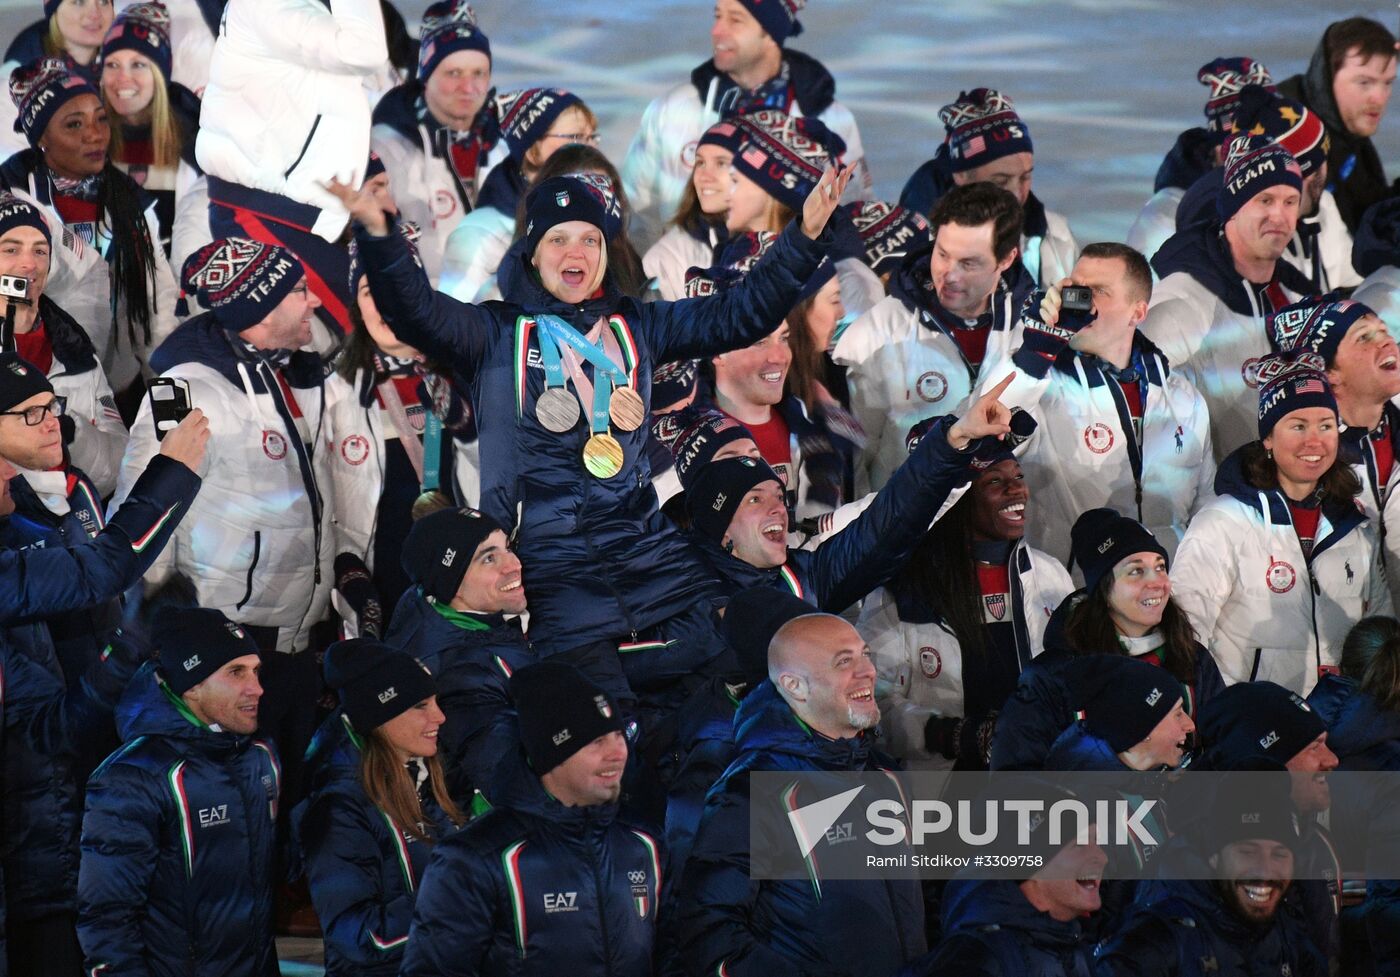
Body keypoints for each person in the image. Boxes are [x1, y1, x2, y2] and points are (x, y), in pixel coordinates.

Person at [331, 162, 850, 706]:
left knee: (739, 679)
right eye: (557, 240)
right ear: (532, 253)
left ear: (605, 252)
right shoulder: (494, 334)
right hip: (552, 572)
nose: (574, 252)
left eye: (588, 239)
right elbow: (412, 311)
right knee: (602, 729)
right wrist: (378, 232)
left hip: (651, 556)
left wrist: (805, 236)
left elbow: (740, 314)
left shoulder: (639, 328)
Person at [111, 237, 332, 802]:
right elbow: (145, 500)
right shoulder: (184, 388)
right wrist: (155, 618)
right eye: (299, 291)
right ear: (259, 307)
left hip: (291, 634)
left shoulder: (269, 372)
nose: (314, 303)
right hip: (229, 642)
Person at [671, 612, 926, 977]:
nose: (867, 670)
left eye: (865, 654)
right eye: (844, 661)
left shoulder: (887, 776)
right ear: (794, 686)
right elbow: (710, 935)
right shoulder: (752, 790)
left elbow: (926, 901)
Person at [398, 661, 662, 977]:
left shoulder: (643, 844)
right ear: (553, 752)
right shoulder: (475, 859)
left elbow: (671, 958)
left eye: (619, 736)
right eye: (596, 741)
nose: (617, 753)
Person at [684, 375, 1021, 612]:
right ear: (722, 524)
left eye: (777, 495)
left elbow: (887, 523)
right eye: (755, 499)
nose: (777, 509)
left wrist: (953, 439)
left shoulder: (806, 579)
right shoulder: (679, 590)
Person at [76, 607, 281, 977]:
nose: (258, 688)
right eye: (236, 672)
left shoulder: (259, 758)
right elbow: (107, 920)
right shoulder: (133, 777)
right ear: (192, 685)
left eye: (256, 671)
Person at [983, 243, 1214, 566]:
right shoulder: (1040, 382)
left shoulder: (1183, 397)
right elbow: (982, 427)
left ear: (1138, 312)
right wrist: (1036, 350)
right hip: (1071, 595)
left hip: (1162, 591)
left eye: (1099, 291)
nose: (1082, 300)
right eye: (1077, 287)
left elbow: (1204, 507)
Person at [1173, 352, 1389, 695]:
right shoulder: (1223, 521)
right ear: (1268, 439)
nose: (1314, 441)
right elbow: (1185, 633)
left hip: (1338, 728)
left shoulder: (1357, 528)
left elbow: (1381, 634)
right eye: (1298, 426)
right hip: (1256, 731)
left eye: (1326, 425)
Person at [863, 446, 1074, 770]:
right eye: (994, 481)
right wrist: (955, 735)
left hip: (1039, 779)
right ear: (957, 498)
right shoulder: (903, 589)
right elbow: (874, 705)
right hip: (947, 793)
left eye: (1018, 476)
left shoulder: (1051, 573)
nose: (1016, 488)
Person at [195, 0, 388, 336]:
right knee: (365, 338)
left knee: (359, 348)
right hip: (265, 212)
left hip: (292, 212)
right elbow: (361, 50)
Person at [325, 224, 478, 632]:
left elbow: (500, 474)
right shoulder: (334, 388)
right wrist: (348, 575)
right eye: (370, 293)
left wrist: (467, 428)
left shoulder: (466, 361)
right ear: (356, 306)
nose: (385, 305)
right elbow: (327, 507)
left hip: (467, 573)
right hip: (384, 581)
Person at [990, 509, 1225, 773]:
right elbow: (1013, 779)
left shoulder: (1193, 659)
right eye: (1136, 571)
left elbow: (1223, 754)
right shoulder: (1053, 677)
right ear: (1104, 587)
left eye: (1160, 567)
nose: (1157, 582)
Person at [1, 58, 177, 409]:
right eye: (74, 124)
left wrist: (170, 410)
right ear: (42, 139)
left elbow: (158, 308)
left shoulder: (129, 202)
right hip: (23, 392)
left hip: (116, 391)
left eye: (100, 118)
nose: (95, 134)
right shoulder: (10, 199)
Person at [834, 182, 1031, 494]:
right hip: (906, 533)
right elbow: (850, 459)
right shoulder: (875, 334)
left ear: (1006, 259)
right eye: (942, 254)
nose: (948, 274)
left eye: (968, 263)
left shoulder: (1031, 330)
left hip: (1006, 531)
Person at [621, 0, 868, 243]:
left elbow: (852, 220)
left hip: (796, 276)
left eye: (735, 19)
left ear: (771, 33)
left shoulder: (832, 122)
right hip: (685, 278)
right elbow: (638, 214)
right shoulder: (673, 110)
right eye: (717, 16)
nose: (716, 30)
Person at [296, 638, 465, 976]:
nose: (440, 716)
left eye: (436, 702)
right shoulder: (339, 807)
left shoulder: (423, 773)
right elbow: (355, 935)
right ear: (380, 714)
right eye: (421, 706)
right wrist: (454, 897)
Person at [1140, 134, 1312, 460]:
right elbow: (1144, 417)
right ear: (1233, 209)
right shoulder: (1183, 300)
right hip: (1222, 500)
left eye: (1290, 202)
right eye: (1265, 200)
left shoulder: (1298, 294)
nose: (1279, 216)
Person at [1095, 771, 1327, 977]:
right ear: (1215, 857)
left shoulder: (1289, 937)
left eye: (1279, 855)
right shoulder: (1156, 942)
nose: (1265, 870)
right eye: (1247, 852)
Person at [385, 507, 536, 806]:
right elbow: (510, 783)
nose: (514, 564)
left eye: (508, 548)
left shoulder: (438, 611)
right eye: (489, 558)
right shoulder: (460, 675)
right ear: (451, 584)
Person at [1194, 681, 1342, 966]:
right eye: (1315, 747)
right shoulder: (1202, 855)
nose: (1332, 760)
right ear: (1267, 760)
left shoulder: (1316, 840)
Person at [1266, 296, 1400, 608]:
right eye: (1364, 337)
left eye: (1385, 331)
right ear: (1329, 374)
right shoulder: (1300, 467)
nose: (1388, 342)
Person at [1171, 86, 1359, 295]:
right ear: (1304, 172)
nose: (1326, 170)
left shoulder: (1323, 207)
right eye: (1321, 160)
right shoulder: (1243, 245)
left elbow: (1354, 282)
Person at [0, 192, 126, 494]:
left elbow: (117, 467)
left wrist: (70, 433)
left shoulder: (75, 351)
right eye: (11, 250)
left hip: (69, 528)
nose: (29, 264)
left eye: (40, 251)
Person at [370, 0, 503, 286]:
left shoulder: (506, 140)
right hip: (430, 308)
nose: (468, 88)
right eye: (453, 73)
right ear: (426, 75)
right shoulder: (390, 148)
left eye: (477, 73)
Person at [908, 789, 1107, 977]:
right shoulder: (976, 960)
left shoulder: (1069, 943)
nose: (1102, 857)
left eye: (1097, 842)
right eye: (1079, 845)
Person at [900, 87, 1077, 289]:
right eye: (1000, 181)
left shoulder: (1055, 234)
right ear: (961, 176)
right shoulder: (914, 247)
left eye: (1025, 177)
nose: (1017, 194)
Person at [438, 87, 596, 302]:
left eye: (592, 138)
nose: (590, 151)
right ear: (532, 150)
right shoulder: (479, 233)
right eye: (575, 137)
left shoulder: (598, 215)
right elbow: (455, 321)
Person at [1127, 56, 1275, 262]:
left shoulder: (1292, 200)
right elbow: (1145, 292)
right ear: (1217, 146)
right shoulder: (1166, 217)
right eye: (1242, 147)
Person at [99, 1, 202, 260]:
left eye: (138, 64)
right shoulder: (88, 137)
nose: (123, 78)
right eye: (112, 65)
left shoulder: (198, 140)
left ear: (160, 73)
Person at [1279, 17, 1398, 234]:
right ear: (1327, 76)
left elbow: (1371, 212)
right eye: (1364, 82)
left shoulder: (1346, 132)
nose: (1380, 99)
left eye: (1388, 83)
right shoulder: (1289, 140)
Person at [0, 0, 115, 162]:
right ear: (53, 10)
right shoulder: (17, 80)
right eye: (79, 2)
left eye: (103, 1)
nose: (95, 13)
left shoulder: (129, 69)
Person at [642, 117, 737, 301]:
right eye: (700, 162)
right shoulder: (666, 258)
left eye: (721, 163)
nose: (704, 176)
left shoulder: (787, 243)